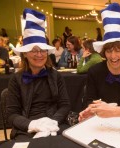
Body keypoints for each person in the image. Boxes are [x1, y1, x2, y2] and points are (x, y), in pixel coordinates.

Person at [6, 8, 71, 140]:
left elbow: (65, 105)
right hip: (26, 128)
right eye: (34, 50)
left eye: (43, 50)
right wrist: (33, 124)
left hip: (54, 125)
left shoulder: (55, 75)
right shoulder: (16, 79)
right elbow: (12, 115)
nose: (39, 55)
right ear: (25, 53)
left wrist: (52, 122)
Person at [83, 3, 120, 107]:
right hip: (102, 118)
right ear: (104, 52)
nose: (113, 56)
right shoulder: (94, 72)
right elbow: (89, 99)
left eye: (118, 50)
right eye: (109, 51)